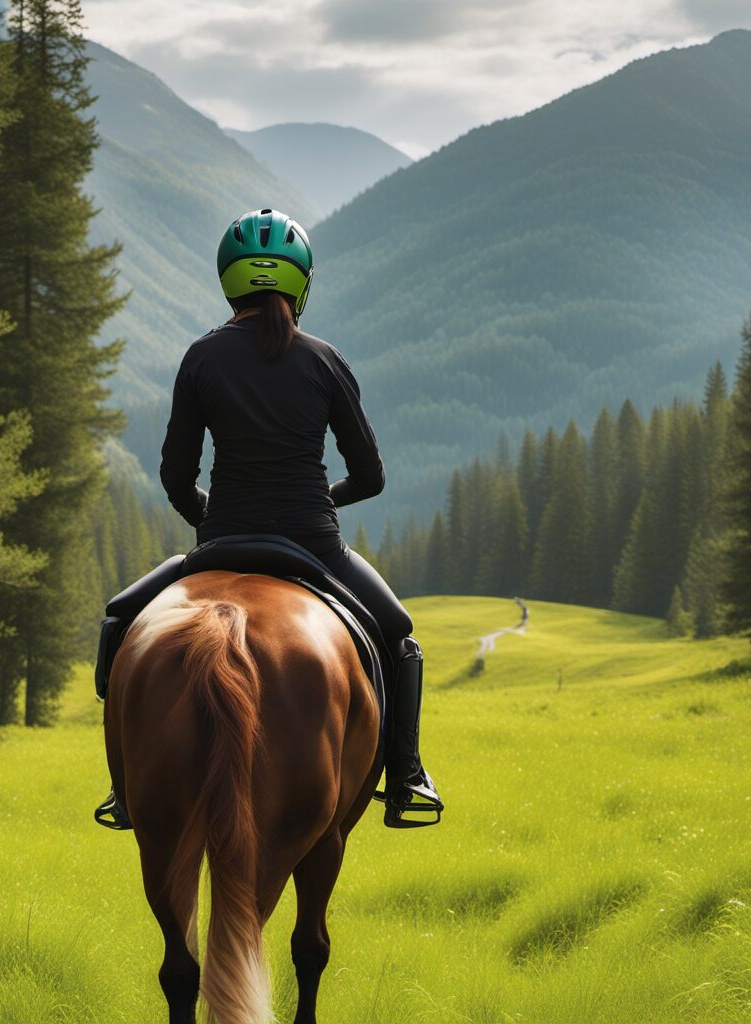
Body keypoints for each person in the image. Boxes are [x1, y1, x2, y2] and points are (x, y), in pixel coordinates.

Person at [95, 208, 442, 829]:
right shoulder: (324, 360)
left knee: (122, 621)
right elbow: (371, 477)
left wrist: (213, 518)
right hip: (314, 544)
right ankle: (407, 774)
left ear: (231, 282)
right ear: (300, 283)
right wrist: (311, 505)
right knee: (398, 634)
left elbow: (176, 476)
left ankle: (124, 789)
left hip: (221, 541)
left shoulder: (201, 358)